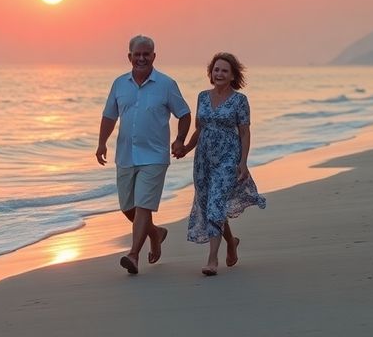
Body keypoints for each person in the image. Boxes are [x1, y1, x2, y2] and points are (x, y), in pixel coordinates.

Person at [96, 35, 192, 275]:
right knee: (127, 206)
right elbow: (109, 116)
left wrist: (180, 139)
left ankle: (133, 255)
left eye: (146, 54)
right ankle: (155, 233)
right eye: (137, 54)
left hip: (155, 156)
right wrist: (101, 143)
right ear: (129, 56)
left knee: (142, 206)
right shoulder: (119, 84)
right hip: (126, 155)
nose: (141, 58)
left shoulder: (166, 84)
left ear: (154, 56)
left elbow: (184, 114)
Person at [183, 52, 266, 276]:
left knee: (216, 203)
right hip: (203, 160)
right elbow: (199, 129)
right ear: (211, 73)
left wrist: (243, 162)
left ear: (232, 76)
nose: (219, 74)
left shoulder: (240, 100)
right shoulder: (202, 97)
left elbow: (245, 133)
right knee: (209, 204)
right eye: (216, 69)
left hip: (228, 158)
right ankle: (231, 242)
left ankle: (212, 260)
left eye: (224, 71)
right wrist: (185, 148)